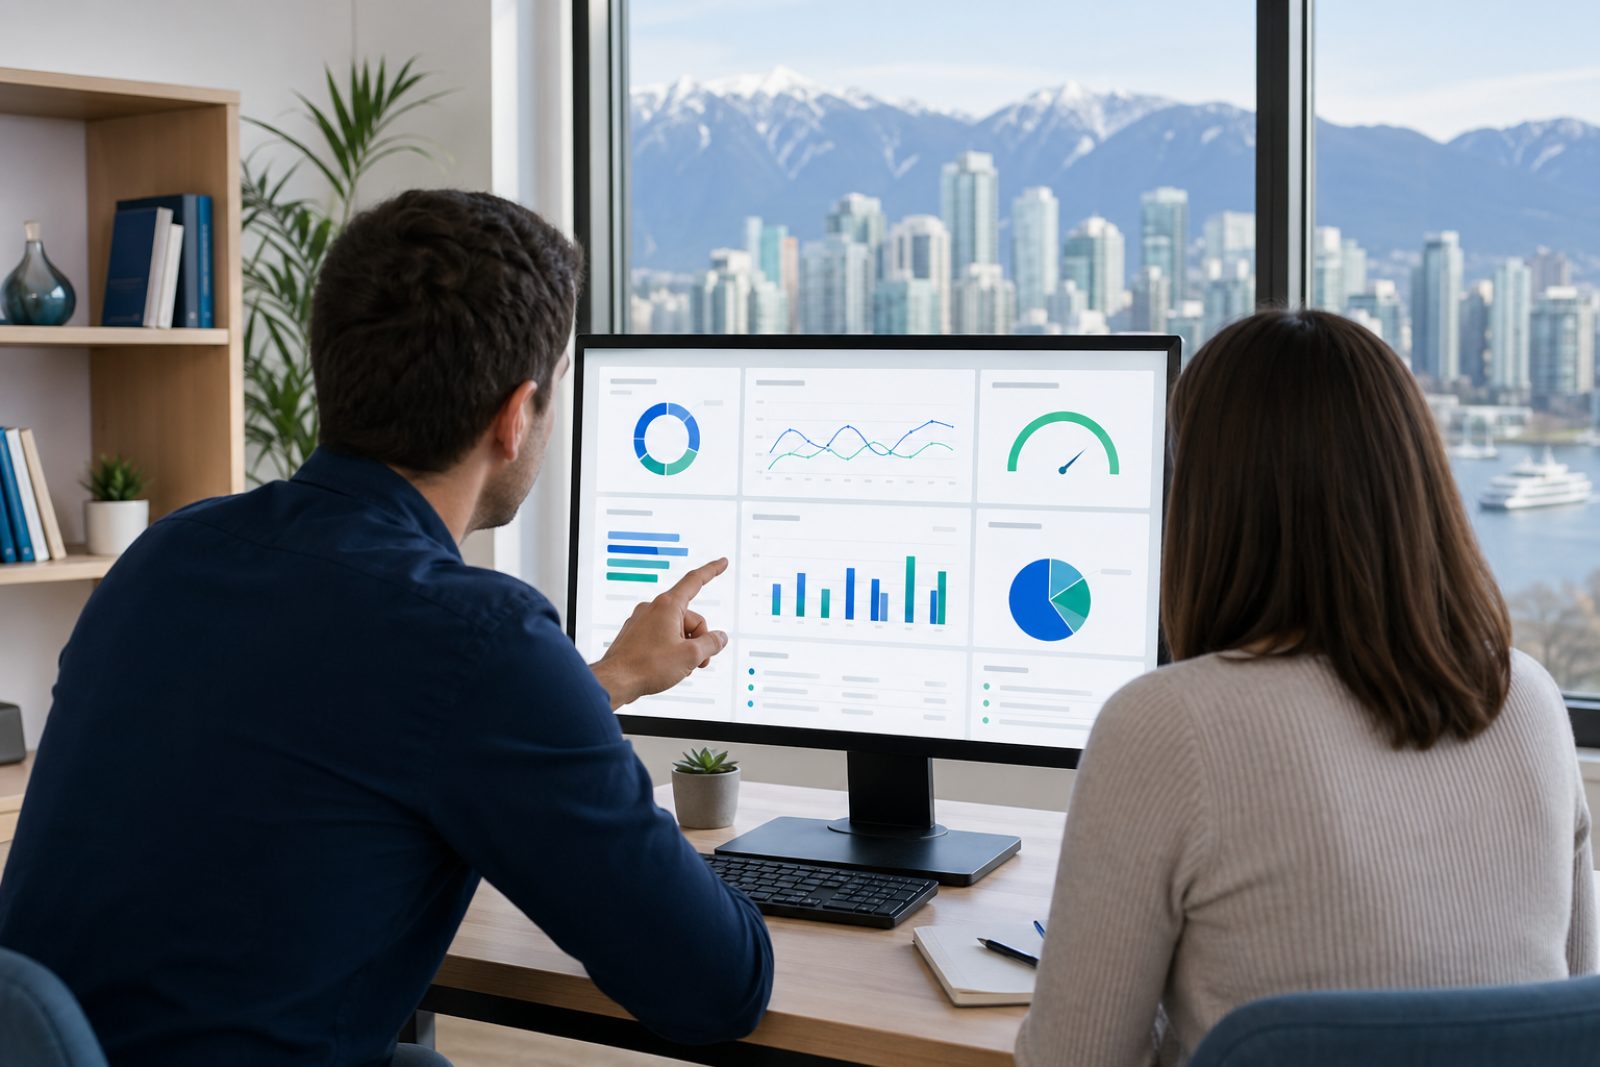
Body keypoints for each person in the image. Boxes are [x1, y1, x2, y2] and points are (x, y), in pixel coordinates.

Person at [0, 190, 773, 1066]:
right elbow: (717, 987)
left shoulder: (165, 555)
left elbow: (338, 732)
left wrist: (595, 685)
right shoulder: (478, 636)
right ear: (515, 417)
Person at [1015, 309, 1596, 1067]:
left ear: (1204, 503)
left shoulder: (1165, 726)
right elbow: (1570, 1014)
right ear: (1416, 485)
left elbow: (1073, 1060)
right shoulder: (1528, 700)